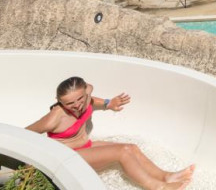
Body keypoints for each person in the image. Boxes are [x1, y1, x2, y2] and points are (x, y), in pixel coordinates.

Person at [27, 77, 194, 190]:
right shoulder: (54, 118)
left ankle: (166, 177)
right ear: (59, 102)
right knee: (122, 152)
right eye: (70, 103)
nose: (77, 105)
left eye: (80, 98)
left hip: (86, 147)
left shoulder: (86, 98)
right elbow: (25, 134)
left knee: (131, 148)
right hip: (69, 157)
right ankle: (159, 187)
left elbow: (91, 96)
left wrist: (109, 103)